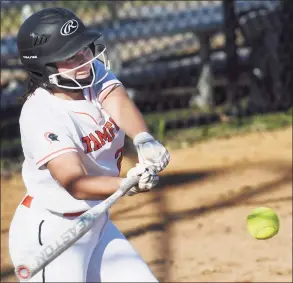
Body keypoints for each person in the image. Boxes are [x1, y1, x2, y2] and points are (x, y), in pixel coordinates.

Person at [9, 7, 170, 283]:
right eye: (70, 56)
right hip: (53, 229)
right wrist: (125, 183)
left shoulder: (88, 75)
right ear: (45, 67)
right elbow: (74, 181)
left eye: (84, 49)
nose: (84, 58)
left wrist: (144, 139)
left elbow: (116, 99)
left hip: (96, 224)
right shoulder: (42, 114)